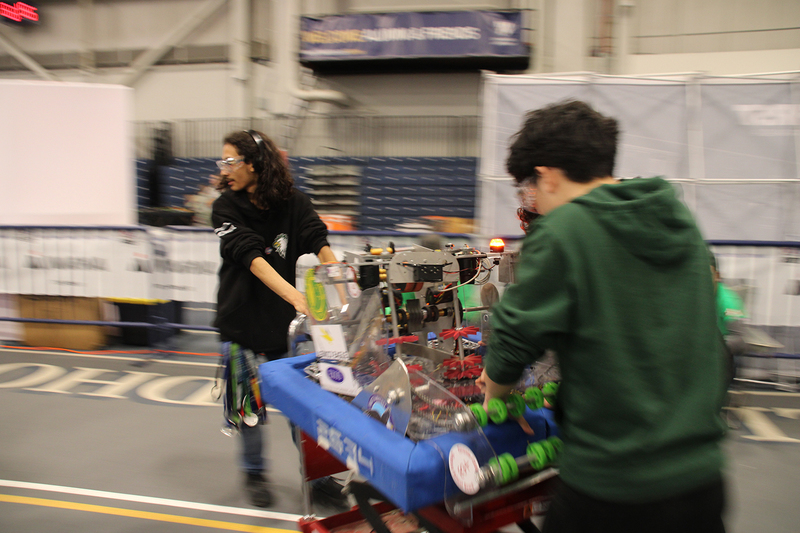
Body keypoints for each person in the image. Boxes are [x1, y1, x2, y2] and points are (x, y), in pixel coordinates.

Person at [478, 101, 728, 532]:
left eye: (531, 188)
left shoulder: (563, 232)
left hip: (614, 487)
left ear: (549, 174)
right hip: (702, 480)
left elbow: (515, 337)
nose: (534, 203)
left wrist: (494, 394)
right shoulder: (676, 217)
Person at [211, 130, 346, 509]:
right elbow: (252, 257)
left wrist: (343, 288)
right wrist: (296, 297)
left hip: (282, 329)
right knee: (248, 410)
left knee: (302, 411)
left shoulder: (293, 202)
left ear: (255, 164)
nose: (225, 169)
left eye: (231, 161)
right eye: (223, 162)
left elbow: (317, 239)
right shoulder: (224, 207)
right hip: (240, 325)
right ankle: (254, 474)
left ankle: (318, 479)